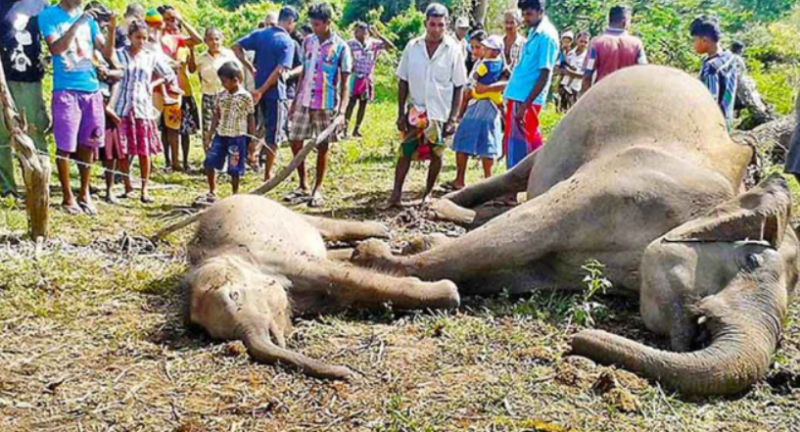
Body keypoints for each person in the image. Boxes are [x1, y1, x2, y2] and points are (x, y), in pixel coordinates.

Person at [39, 0, 114, 216]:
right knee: (65, 144)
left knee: (89, 144)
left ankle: (84, 192)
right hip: (66, 89)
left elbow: (107, 52)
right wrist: (79, 21)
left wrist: (110, 29)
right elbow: (56, 48)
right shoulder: (49, 15)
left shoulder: (89, 19)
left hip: (91, 88)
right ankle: (67, 195)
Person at [388, 3, 467, 207]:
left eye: (441, 25)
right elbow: (403, 80)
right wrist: (400, 113)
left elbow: (459, 85)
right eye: (432, 24)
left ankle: (427, 193)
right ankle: (396, 194)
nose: (436, 29)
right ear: (425, 23)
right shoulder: (413, 47)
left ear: (446, 25)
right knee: (405, 151)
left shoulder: (453, 50)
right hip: (416, 109)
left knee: (436, 154)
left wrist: (453, 118)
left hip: (439, 113)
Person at [287, 2, 351, 208]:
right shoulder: (308, 42)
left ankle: (317, 189)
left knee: (322, 146)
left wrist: (341, 111)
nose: (314, 28)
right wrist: (295, 100)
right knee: (295, 140)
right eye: (312, 24)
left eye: (317, 24)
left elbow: (345, 83)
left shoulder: (341, 47)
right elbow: (304, 73)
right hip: (304, 99)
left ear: (328, 23)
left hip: (326, 103)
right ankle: (303, 184)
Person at [113, 19, 177, 204]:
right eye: (138, 37)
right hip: (122, 107)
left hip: (142, 106)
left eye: (144, 38)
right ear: (130, 37)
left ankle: (145, 188)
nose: (141, 41)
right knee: (123, 150)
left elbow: (169, 74)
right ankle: (127, 185)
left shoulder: (150, 56)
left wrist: (152, 84)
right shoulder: (119, 55)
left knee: (144, 149)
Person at [234, 5, 299, 182]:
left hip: (258, 91)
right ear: (291, 22)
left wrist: (251, 68)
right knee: (274, 134)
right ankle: (268, 174)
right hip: (275, 94)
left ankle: (254, 158)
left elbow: (236, 46)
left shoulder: (260, 33)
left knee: (260, 128)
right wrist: (262, 90)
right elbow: (280, 70)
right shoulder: (287, 41)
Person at [492, 0, 559, 171]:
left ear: (540, 12)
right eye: (523, 14)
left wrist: (526, 105)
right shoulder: (533, 32)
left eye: (528, 14)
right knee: (514, 144)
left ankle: (539, 178)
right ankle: (511, 191)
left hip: (526, 99)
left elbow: (545, 74)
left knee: (528, 143)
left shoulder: (546, 36)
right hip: (517, 96)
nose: (525, 18)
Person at [0, 0, 49, 200]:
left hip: (30, 80)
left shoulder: (40, 5)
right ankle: (7, 188)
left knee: (35, 130)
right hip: (5, 77)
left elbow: (54, 36)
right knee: (2, 134)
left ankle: (39, 184)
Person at [448, 35, 504, 191]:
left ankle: (487, 181)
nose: (477, 50)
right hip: (479, 104)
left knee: (485, 143)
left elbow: (507, 81)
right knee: (469, 142)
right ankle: (463, 180)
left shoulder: (495, 65)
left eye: (480, 47)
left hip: (484, 106)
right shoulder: (482, 63)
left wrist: (486, 89)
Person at [157, 5, 202, 172]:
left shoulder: (180, 40)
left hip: (184, 90)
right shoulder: (156, 40)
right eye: (166, 19)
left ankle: (181, 161)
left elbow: (198, 40)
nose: (170, 23)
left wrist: (182, 20)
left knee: (183, 129)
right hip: (163, 90)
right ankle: (170, 161)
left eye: (172, 19)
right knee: (167, 128)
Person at [203, 61, 256, 200]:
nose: (222, 84)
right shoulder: (221, 95)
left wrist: (252, 139)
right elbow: (216, 115)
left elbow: (251, 117)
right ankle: (212, 190)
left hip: (237, 136)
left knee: (234, 167)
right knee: (210, 161)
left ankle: (235, 193)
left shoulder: (245, 96)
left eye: (224, 81)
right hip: (221, 134)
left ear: (235, 80)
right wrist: (210, 133)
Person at [191, 27, 240, 153]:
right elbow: (197, 74)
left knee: (227, 127)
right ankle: (210, 159)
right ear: (206, 41)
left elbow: (239, 75)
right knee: (208, 128)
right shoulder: (201, 58)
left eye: (217, 39)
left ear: (222, 39)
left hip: (227, 96)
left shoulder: (229, 55)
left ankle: (226, 159)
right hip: (209, 96)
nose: (214, 42)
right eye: (211, 39)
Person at [344, 22, 395, 138]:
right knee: (351, 104)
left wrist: (378, 34)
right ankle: (344, 130)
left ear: (366, 32)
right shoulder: (350, 44)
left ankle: (356, 130)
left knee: (363, 104)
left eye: (361, 31)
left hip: (367, 79)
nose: (357, 34)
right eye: (356, 31)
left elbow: (390, 47)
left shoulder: (373, 44)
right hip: (355, 77)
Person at [581, 5, 647, 95]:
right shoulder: (636, 44)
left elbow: (587, 75)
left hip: (602, 95)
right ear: (624, 22)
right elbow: (644, 72)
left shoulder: (596, 43)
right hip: (627, 95)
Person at [690, 15, 737, 130]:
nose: (693, 44)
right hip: (727, 120)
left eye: (694, 40)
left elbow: (711, 102)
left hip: (714, 127)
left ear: (705, 41)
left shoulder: (712, 67)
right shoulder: (729, 57)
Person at [558, 30, 589, 112]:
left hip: (576, 89)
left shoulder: (587, 57)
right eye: (581, 41)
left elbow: (585, 75)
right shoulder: (569, 53)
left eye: (585, 42)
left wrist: (570, 72)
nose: (583, 44)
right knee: (559, 111)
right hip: (563, 86)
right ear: (576, 40)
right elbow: (560, 68)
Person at [502, 9, 526, 74]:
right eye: (506, 22)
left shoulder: (524, 44)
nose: (508, 26)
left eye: (512, 23)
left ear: (519, 24)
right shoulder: (498, 43)